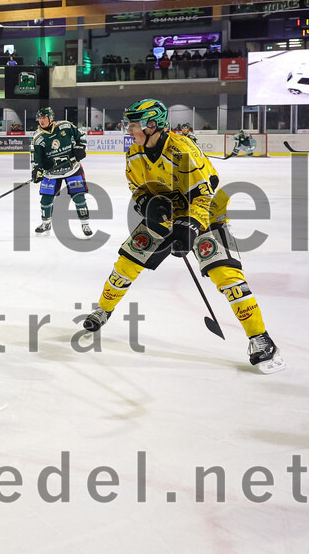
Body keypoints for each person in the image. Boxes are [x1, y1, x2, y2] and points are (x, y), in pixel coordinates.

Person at [82, 99, 284, 374]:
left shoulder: (182, 148)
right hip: (166, 216)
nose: (128, 129)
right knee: (127, 263)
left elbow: (204, 192)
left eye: (134, 123)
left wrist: (189, 226)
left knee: (226, 276)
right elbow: (137, 187)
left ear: (152, 125)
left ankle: (260, 338)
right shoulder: (134, 153)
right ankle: (103, 310)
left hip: (207, 214)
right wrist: (148, 206)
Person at [30, 106, 91, 236]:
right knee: (46, 200)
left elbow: (81, 136)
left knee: (79, 198)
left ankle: (85, 224)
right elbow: (36, 157)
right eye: (40, 118)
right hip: (52, 173)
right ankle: (46, 224)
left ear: (50, 118)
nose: (41, 121)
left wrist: (80, 148)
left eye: (44, 118)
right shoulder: (38, 138)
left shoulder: (65, 126)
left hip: (72, 169)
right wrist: (37, 169)